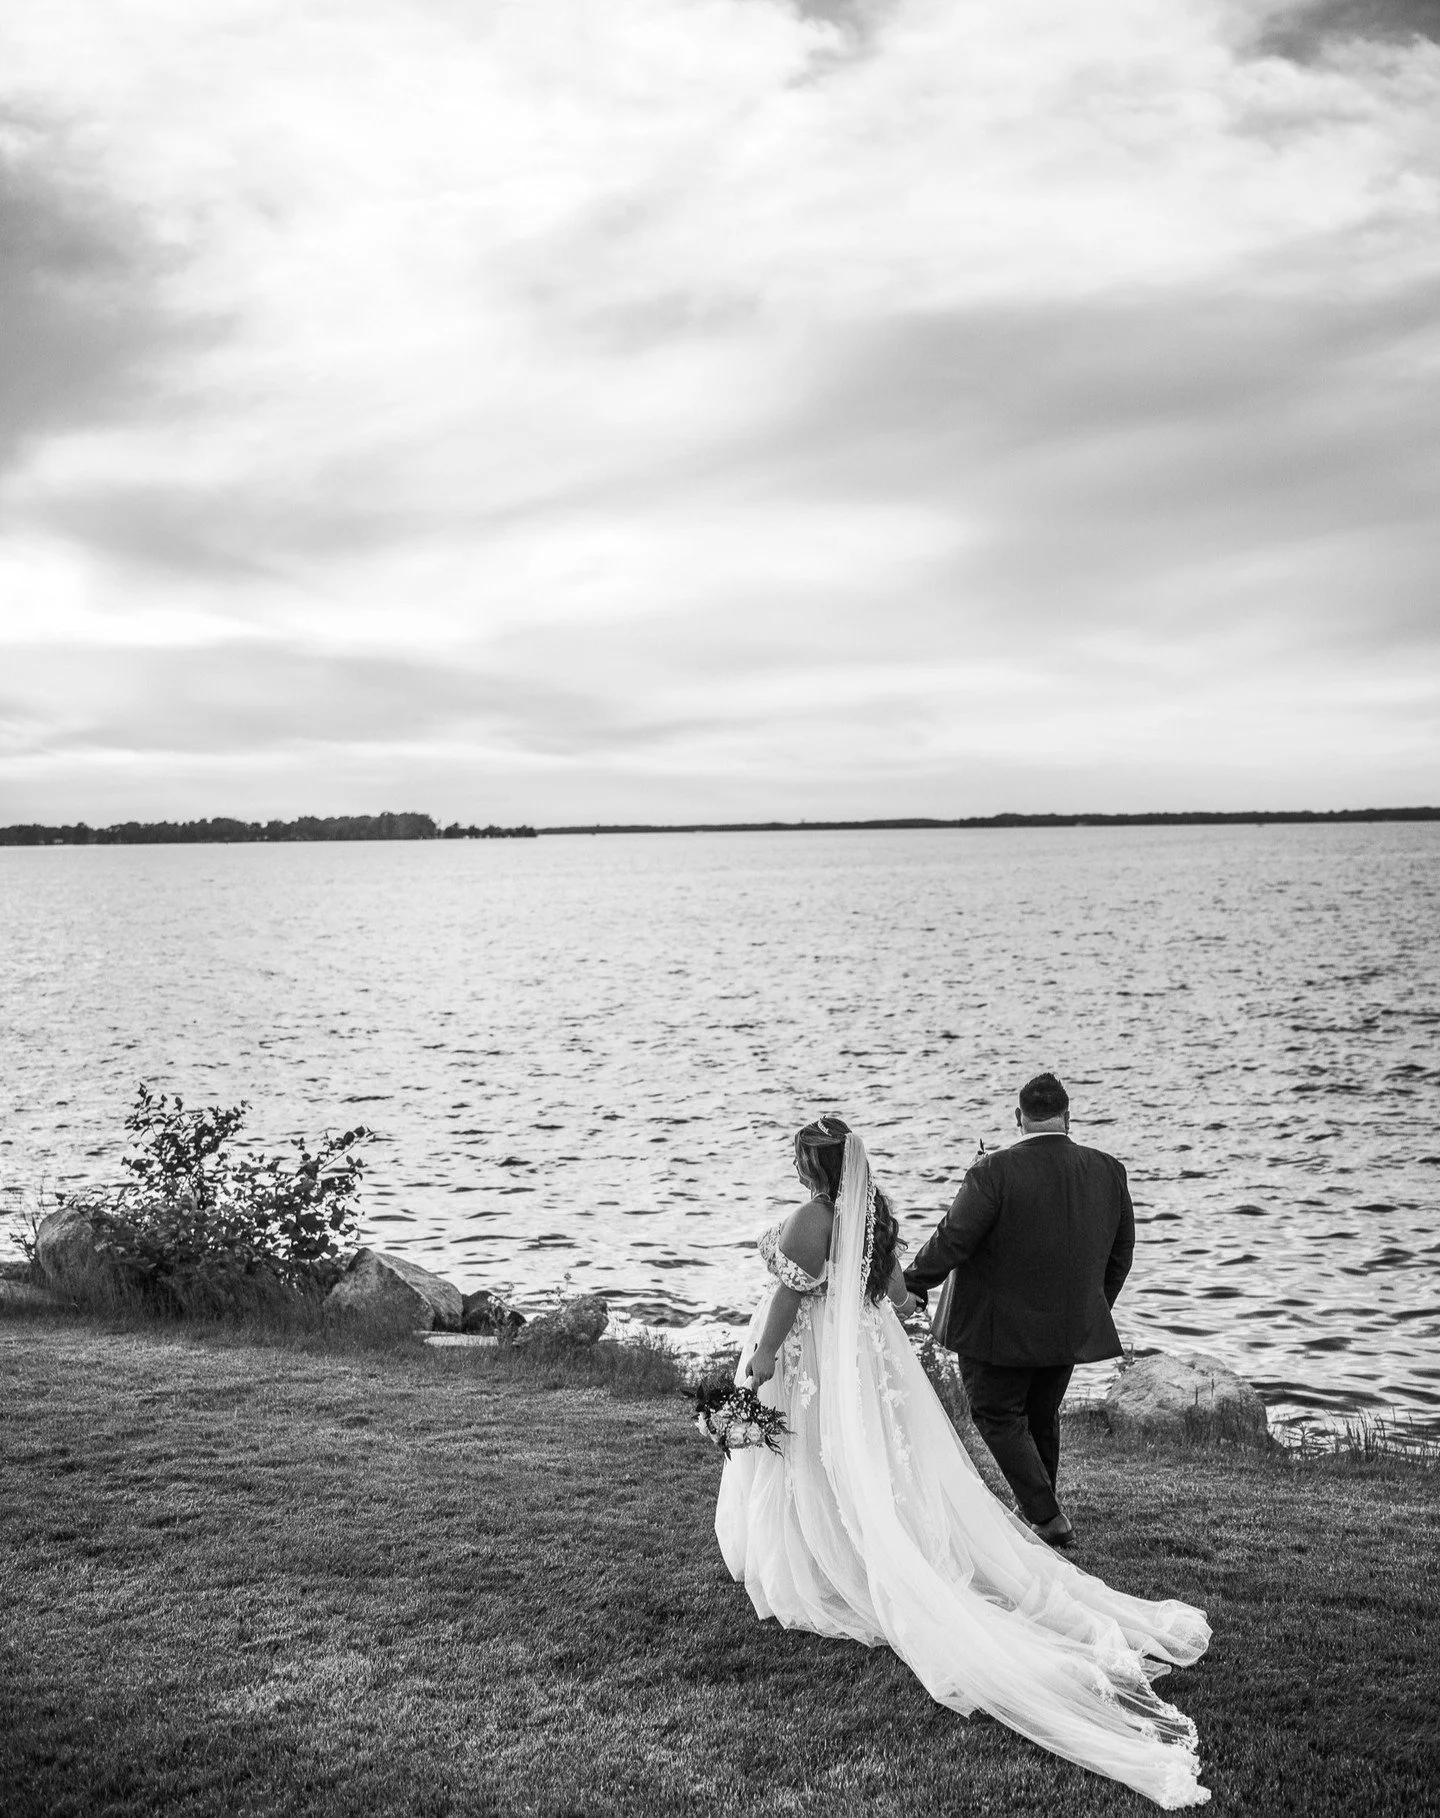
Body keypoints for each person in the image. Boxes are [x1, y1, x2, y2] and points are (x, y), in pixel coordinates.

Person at [715, 1114, 1210, 1810]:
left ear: (815, 1167)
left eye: (801, 1159)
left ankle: (827, 1559)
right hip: (863, 1349)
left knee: (814, 1456)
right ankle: (854, 1546)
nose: (797, 1169)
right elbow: (893, 1294)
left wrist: (762, 1358)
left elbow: (787, 1296)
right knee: (869, 1460)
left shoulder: (811, 1218)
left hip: (816, 1358)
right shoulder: (873, 1215)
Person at [904, 1072, 1134, 1548]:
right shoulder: (1109, 1170)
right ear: (1068, 1117)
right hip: (1068, 1327)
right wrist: (1088, 1310)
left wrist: (908, 1285)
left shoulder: (992, 1171)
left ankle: (1047, 1516)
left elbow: (953, 1240)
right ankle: (1040, 1511)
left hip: (996, 1332)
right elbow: (1120, 1255)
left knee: (994, 1412)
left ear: (1018, 1118)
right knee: (1040, 1412)